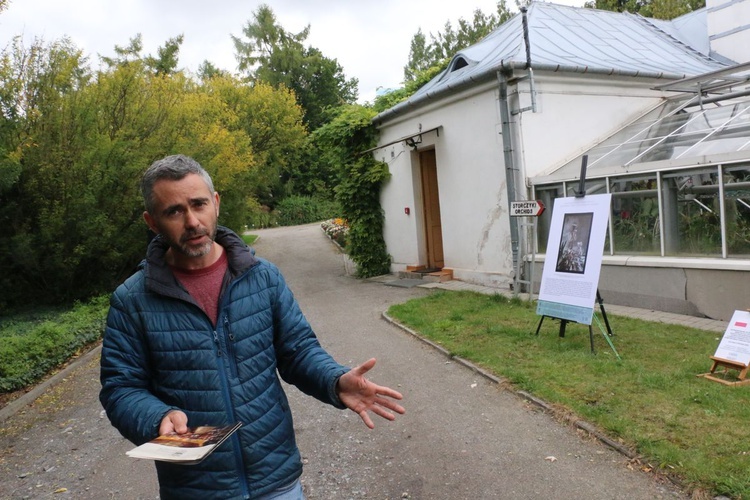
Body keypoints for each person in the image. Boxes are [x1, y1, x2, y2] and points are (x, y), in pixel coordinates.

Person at [99, 154, 405, 499]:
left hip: (276, 478)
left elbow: (297, 351)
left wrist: (334, 380)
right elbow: (120, 388)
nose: (192, 221)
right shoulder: (133, 299)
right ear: (152, 222)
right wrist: (157, 417)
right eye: (173, 211)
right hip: (196, 487)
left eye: (199, 204)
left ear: (215, 204)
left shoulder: (262, 277)